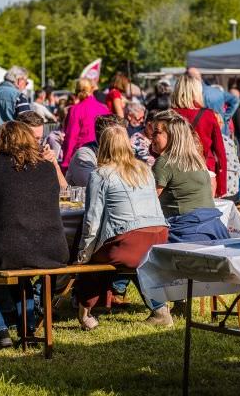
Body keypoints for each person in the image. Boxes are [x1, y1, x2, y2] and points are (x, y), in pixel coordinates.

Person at [0, 121, 69, 349]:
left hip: (11, 245)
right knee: (23, 276)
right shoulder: (47, 166)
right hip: (52, 247)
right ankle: (28, 328)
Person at [75, 125, 170, 329]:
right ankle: (160, 309)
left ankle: (85, 313)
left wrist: (83, 254)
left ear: (103, 147)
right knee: (136, 260)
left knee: (91, 261)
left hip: (129, 241)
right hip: (159, 236)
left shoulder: (100, 174)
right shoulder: (144, 169)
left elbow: (92, 221)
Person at [151, 110, 229, 242]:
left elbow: (149, 201)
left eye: (156, 132)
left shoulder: (165, 162)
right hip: (215, 229)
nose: (151, 136)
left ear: (172, 135)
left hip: (185, 234)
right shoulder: (196, 160)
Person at [171, 73, 227, 197]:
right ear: (196, 92)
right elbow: (220, 152)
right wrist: (221, 187)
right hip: (204, 170)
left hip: (175, 171)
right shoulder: (208, 115)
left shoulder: (168, 115)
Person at [61, 79, 110, 171]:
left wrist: (65, 163)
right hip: (102, 156)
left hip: (82, 157)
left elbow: (71, 138)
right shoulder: (103, 108)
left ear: (76, 91)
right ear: (91, 89)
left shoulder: (75, 110)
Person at [66, 114, 126, 187]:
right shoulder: (84, 155)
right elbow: (94, 186)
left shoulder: (124, 152)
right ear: (105, 138)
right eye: (121, 136)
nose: (126, 140)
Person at [17, 111, 68, 188]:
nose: (38, 143)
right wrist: (40, 165)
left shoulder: (40, 152)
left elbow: (64, 189)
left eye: (41, 139)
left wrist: (55, 164)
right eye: (35, 139)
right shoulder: (11, 158)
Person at [187, 67, 239, 136]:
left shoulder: (193, 95)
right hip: (221, 132)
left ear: (190, 79)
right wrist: (225, 117)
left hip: (205, 135)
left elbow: (235, 100)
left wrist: (225, 117)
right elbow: (236, 100)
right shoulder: (217, 92)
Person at [0, 66, 30, 130]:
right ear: (19, 80)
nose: (26, 86)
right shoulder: (19, 97)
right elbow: (28, 124)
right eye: (26, 83)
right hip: (11, 138)